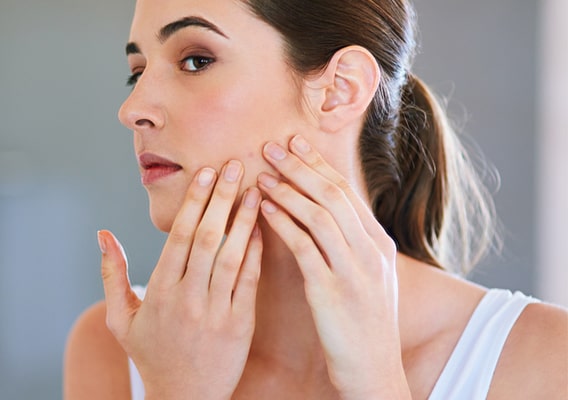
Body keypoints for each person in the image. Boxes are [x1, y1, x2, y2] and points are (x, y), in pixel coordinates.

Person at [63, 0, 568, 398]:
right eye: (138, 69)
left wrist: (377, 386)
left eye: (196, 61)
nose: (133, 109)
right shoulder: (116, 349)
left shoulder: (543, 361)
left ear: (340, 91)